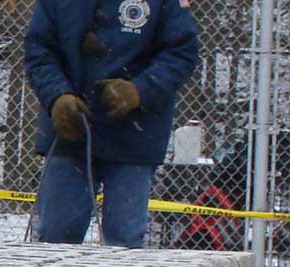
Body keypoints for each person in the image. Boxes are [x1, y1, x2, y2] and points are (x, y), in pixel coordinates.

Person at [24, 0, 199, 248]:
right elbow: (38, 50)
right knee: (55, 237)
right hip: (70, 132)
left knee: (124, 244)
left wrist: (140, 90)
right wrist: (57, 97)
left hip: (134, 138)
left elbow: (182, 52)